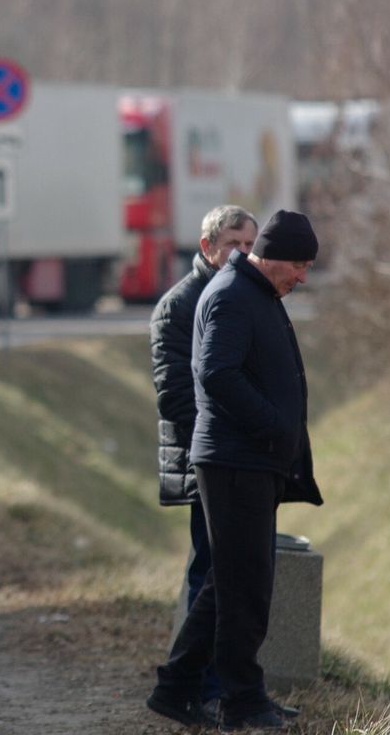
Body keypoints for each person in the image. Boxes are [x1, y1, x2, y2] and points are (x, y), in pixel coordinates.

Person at [146, 209, 324, 731]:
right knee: (244, 588)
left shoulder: (255, 291)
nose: (303, 277)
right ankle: (242, 702)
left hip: (249, 460)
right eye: (298, 265)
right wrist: (271, 425)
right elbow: (214, 372)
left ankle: (176, 688)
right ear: (270, 256)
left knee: (229, 585)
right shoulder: (231, 294)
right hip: (234, 461)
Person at [149, 205, 258, 717]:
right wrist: (225, 441)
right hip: (204, 459)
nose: (244, 252)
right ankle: (201, 688)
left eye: (250, 244)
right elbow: (175, 395)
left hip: (237, 459)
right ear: (207, 244)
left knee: (226, 572)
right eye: (235, 243)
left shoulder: (244, 297)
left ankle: (220, 686)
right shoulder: (180, 304)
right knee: (211, 573)